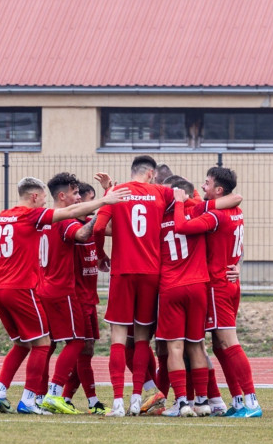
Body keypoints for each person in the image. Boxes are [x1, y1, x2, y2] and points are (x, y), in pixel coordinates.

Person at [0, 176, 129, 415]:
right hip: (30, 289)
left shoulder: (4, 215)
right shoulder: (34, 216)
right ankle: (37, 398)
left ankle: (0, 391)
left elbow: (75, 214)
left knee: (23, 343)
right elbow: (77, 224)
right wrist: (106, 202)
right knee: (47, 344)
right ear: (34, 197)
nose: (44, 203)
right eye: (42, 198)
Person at [173, 166, 261, 418]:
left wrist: (179, 203)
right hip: (230, 282)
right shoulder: (236, 211)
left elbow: (180, 226)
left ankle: (252, 402)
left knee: (227, 342)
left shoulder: (215, 216)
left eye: (207, 183)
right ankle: (238, 401)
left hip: (218, 286)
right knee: (219, 346)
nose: (203, 186)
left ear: (219, 190)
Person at [93, 155, 175, 417]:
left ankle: (117, 402)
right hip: (151, 273)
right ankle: (137, 400)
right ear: (151, 173)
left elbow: (97, 228)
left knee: (118, 338)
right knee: (142, 338)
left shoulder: (117, 192)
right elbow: (190, 198)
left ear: (133, 172)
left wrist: (101, 256)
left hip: (123, 272)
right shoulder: (162, 192)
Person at [37, 173, 99, 415]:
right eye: (75, 194)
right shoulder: (66, 222)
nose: (79, 198)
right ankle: (54, 393)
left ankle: (35, 394)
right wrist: (103, 211)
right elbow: (82, 234)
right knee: (77, 342)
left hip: (43, 288)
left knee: (46, 345)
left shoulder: (43, 219)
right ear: (62, 196)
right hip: (61, 291)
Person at [155, 179, 211, 417]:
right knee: (197, 345)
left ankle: (181, 402)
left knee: (175, 347)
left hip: (171, 286)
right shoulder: (199, 209)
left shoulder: (158, 218)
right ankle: (202, 401)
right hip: (198, 284)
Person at [62, 182, 107, 414]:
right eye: (87, 199)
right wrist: (99, 212)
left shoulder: (90, 225)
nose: (88, 203)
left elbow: (107, 228)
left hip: (90, 299)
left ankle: (65, 398)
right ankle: (90, 400)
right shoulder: (71, 226)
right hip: (75, 299)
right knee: (81, 350)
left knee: (86, 351)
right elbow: (86, 230)